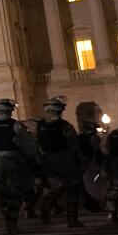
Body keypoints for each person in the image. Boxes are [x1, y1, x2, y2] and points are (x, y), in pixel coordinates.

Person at [0, 99, 40, 234]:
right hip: (12, 163)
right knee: (14, 193)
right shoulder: (15, 125)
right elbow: (28, 146)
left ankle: (8, 218)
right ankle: (12, 224)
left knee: (2, 193)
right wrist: (35, 162)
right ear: (9, 110)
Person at [32, 97, 85, 227]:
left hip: (46, 161)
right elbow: (73, 145)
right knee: (72, 188)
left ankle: (48, 204)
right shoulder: (65, 126)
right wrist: (80, 161)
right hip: (64, 160)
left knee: (55, 186)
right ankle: (72, 220)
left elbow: (35, 144)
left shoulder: (39, 126)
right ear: (60, 111)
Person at [75, 102, 106, 213]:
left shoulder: (79, 136)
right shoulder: (93, 137)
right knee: (94, 183)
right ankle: (94, 204)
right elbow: (97, 150)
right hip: (91, 163)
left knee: (85, 184)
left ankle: (88, 203)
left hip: (81, 163)